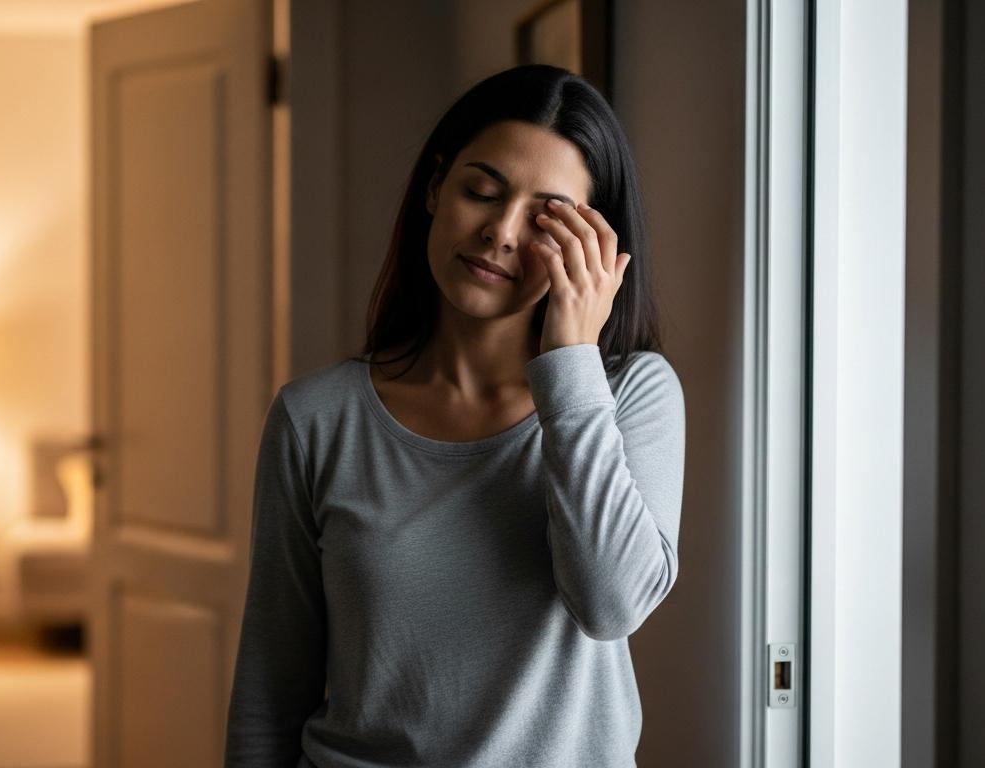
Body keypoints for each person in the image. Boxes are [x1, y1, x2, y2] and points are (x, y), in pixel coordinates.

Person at [224, 64, 686, 767]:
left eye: (545, 218)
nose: (501, 232)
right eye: (482, 192)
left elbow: (610, 605)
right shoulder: (316, 418)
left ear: (595, 248)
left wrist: (570, 362)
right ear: (436, 189)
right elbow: (270, 688)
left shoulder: (631, 396)